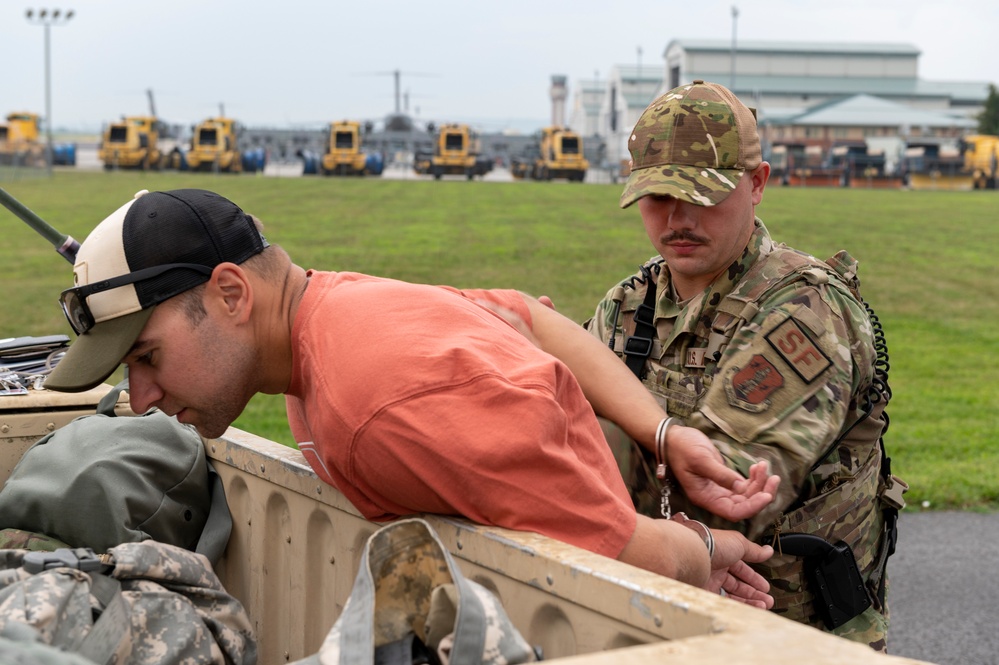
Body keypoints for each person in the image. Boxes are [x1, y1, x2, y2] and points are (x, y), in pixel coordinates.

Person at [43, 187, 779, 606]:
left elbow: (632, 563)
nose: (138, 398)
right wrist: (662, 432)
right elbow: (528, 314)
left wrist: (714, 547)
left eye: (147, 355)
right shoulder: (333, 308)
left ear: (232, 293)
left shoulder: (385, 402)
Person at [584, 80, 907, 650]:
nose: (677, 219)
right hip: (660, 611)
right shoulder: (628, 305)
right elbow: (567, 433)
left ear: (757, 184)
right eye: (658, 197)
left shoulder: (808, 311)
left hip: (789, 637)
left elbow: (730, 491)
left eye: (703, 194)